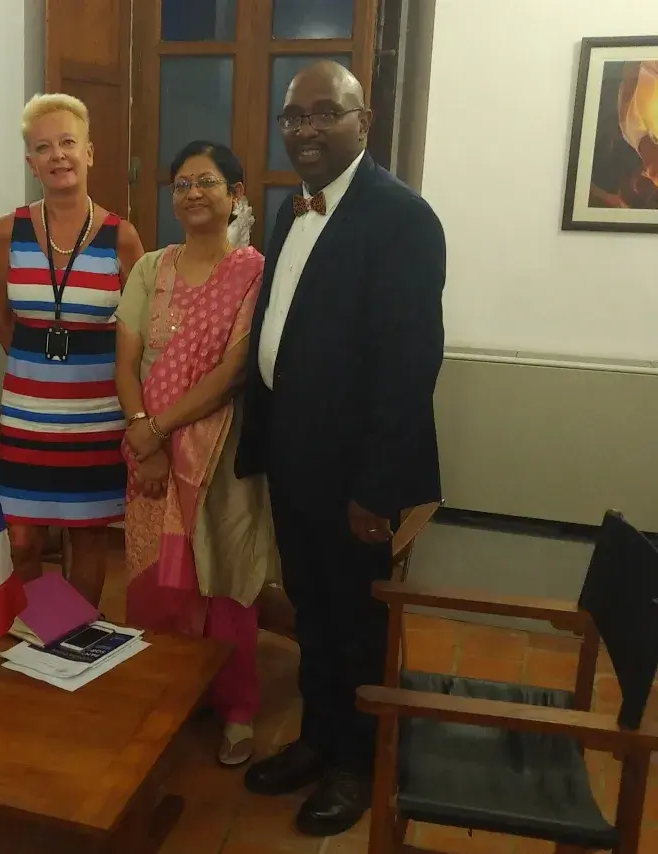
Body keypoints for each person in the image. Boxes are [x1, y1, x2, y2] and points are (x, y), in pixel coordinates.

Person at [236, 61, 446, 836]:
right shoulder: (291, 213)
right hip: (294, 460)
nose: (308, 129)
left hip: (359, 477)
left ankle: (358, 760)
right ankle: (318, 737)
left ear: (366, 119)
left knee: (358, 622)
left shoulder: (402, 218)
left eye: (327, 113)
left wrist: (376, 490)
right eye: (295, 116)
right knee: (313, 614)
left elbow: (409, 364)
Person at [115, 141, 278, 767]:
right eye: (181, 184)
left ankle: (235, 709)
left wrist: (158, 429)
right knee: (159, 578)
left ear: (235, 193)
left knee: (226, 577)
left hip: (223, 453)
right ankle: (164, 694)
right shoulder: (152, 268)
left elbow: (236, 368)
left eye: (206, 182)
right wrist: (140, 429)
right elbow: (126, 357)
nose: (192, 194)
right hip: (149, 447)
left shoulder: (255, 271)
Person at [0, 93, 144, 607]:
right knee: (24, 539)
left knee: (88, 535)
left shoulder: (122, 237)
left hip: (97, 414)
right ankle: (52, 627)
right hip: (28, 412)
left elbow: (137, 330)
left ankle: (74, 642)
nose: (58, 155)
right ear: (31, 161)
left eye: (68, 143)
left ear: (90, 152)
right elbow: (2, 318)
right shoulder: (8, 231)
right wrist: (39, 373)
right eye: (44, 147)